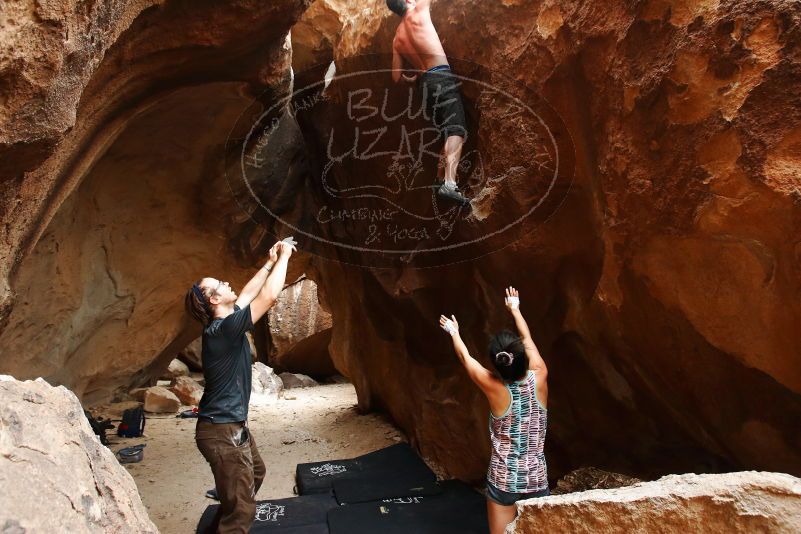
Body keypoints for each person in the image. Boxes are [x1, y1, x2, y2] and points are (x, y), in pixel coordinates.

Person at [184, 239, 295, 533]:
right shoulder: (224, 330)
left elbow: (247, 294)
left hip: (227, 427)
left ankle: (226, 510)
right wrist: (285, 257)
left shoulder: (226, 323)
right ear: (213, 300)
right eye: (219, 284)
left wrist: (269, 262)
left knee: (255, 473)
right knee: (242, 512)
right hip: (222, 432)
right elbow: (269, 297)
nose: (226, 282)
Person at [439, 287, 549, 534]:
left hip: (504, 480)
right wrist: (515, 309)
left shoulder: (493, 387)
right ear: (523, 358)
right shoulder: (540, 375)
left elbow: (465, 357)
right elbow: (528, 339)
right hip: (535, 479)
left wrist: (454, 332)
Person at [387, 0, 470, 207]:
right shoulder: (419, 11)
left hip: (425, 86)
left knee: (446, 131)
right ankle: (449, 184)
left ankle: (440, 180)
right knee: (456, 130)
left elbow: (396, 77)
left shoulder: (397, 38)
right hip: (441, 76)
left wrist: (412, 76)